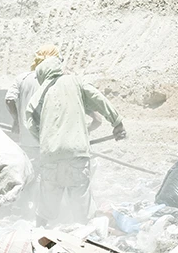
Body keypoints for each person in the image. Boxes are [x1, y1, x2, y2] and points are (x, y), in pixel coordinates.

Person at [24, 56, 126, 226]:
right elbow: (97, 98)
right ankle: (85, 240)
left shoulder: (39, 94)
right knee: (82, 208)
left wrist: (44, 140)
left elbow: (29, 120)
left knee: (46, 205)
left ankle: (38, 236)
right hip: (76, 155)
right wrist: (117, 122)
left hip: (50, 157)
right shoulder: (75, 82)